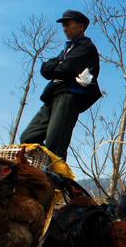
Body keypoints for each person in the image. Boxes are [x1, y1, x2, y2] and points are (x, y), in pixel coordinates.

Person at [20, 10, 102, 160]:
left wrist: (57, 65)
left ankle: (55, 176)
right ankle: (46, 165)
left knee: (55, 144)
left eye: (68, 24)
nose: (64, 28)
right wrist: (57, 65)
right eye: (63, 25)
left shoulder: (86, 48)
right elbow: (46, 68)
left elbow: (64, 70)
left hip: (69, 96)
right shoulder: (67, 50)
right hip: (54, 94)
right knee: (28, 137)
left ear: (81, 26)